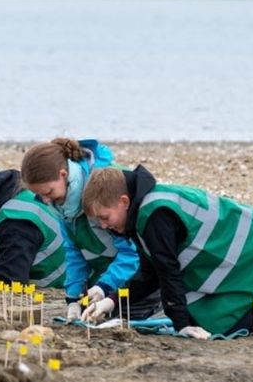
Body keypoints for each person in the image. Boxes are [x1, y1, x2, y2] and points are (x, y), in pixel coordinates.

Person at [80, 165, 253, 339]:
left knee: (218, 324)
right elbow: (150, 275)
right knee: (199, 314)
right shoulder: (142, 211)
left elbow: (168, 274)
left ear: (124, 202)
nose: (103, 226)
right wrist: (111, 301)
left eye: (105, 217)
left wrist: (182, 326)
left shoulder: (154, 215)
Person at [20, 138, 157, 323]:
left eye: (48, 192)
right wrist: (73, 297)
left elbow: (132, 253)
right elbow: (74, 251)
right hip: (109, 275)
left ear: (63, 174)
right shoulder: (63, 205)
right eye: (40, 195)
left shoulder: (103, 195)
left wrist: (104, 287)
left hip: (144, 276)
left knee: (131, 316)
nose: (45, 201)